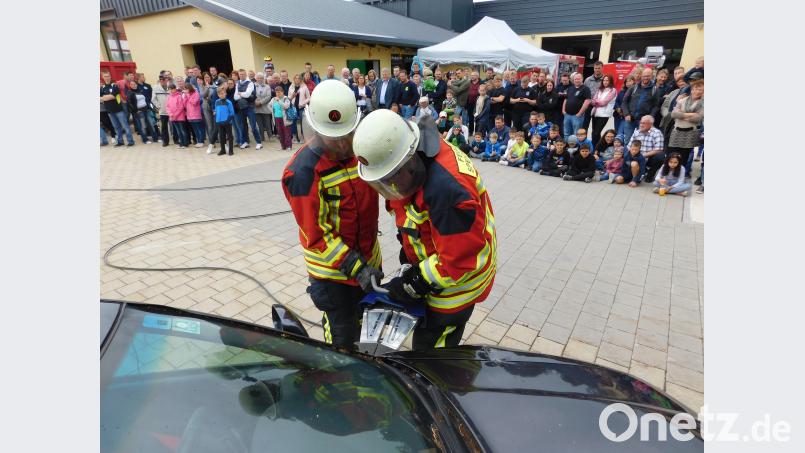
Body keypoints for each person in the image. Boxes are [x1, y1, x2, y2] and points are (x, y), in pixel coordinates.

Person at [351, 109, 496, 350]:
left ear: (408, 160)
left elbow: (459, 259)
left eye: (391, 177)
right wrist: (409, 250)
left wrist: (417, 280)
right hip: (446, 262)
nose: (390, 185)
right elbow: (411, 212)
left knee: (432, 355)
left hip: (458, 285)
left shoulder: (446, 190)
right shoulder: (415, 154)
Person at [282, 80, 381, 350]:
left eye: (347, 135)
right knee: (342, 339)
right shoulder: (303, 172)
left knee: (370, 329)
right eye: (333, 138)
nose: (342, 144)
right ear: (315, 128)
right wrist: (354, 266)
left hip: (368, 259)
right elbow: (316, 235)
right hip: (333, 274)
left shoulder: (360, 150)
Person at [667, 79, 704, 176]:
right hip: (677, 131)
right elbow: (674, 114)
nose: (697, 91)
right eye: (696, 89)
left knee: (684, 158)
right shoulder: (682, 100)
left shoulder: (703, 103)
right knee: (671, 155)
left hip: (690, 133)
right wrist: (690, 115)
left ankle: (679, 176)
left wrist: (682, 114)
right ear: (692, 89)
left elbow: (698, 118)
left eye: (701, 90)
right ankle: (667, 175)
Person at [621, 68, 661, 141]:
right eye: (644, 76)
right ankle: (627, 153)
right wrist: (626, 114)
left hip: (644, 122)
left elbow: (656, 106)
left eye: (648, 76)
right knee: (627, 141)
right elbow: (624, 102)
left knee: (640, 142)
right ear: (641, 76)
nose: (645, 78)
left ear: (652, 76)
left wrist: (650, 117)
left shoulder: (655, 90)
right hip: (630, 119)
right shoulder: (633, 88)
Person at [100, 71, 135, 146]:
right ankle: (120, 141)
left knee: (125, 126)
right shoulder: (102, 88)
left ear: (110, 76)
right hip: (110, 111)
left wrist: (104, 97)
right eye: (105, 76)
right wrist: (106, 97)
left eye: (108, 76)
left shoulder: (114, 86)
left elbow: (113, 96)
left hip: (119, 110)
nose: (107, 78)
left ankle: (130, 141)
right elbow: (100, 98)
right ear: (102, 77)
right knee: (116, 127)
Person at [628, 115, 665, 182]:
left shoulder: (657, 133)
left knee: (660, 156)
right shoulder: (637, 132)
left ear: (651, 124)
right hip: (636, 156)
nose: (641, 125)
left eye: (644, 123)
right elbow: (629, 146)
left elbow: (658, 149)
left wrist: (642, 156)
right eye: (641, 122)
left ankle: (650, 175)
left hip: (649, 158)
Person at [234, 69, 263, 150]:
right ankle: (245, 141)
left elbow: (247, 95)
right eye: (240, 74)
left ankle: (259, 142)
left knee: (253, 126)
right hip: (240, 108)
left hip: (249, 107)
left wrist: (240, 94)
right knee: (242, 126)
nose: (241, 75)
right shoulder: (237, 83)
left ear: (246, 74)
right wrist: (242, 94)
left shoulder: (250, 83)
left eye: (243, 74)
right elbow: (235, 97)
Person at [126, 80, 157, 144]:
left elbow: (145, 100)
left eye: (134, 84)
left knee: (151, 124)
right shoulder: (130, 93)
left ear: (136, 85)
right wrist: (136, 110)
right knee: (142, 126)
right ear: (130, 86)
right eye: (131, 84)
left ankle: (155, 138)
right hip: (139, 112)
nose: (133, 85)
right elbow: (129, 103)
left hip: (146, 110)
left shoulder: (140, 91)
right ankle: (145, 139)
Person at [562, 73, 591, 141]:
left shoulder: (585, 89)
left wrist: (580, 113)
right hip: (567, 115)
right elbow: (566, 99)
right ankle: (566, 147)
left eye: (578, 79)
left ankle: (575, 149)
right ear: (573, 80)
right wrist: (563, 110)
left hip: (577, 116)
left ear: (582, 79)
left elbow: (587, 101)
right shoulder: (570, 88)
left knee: (576, 134)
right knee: (566, 133)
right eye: (575, 79)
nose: (577, 80)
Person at [590, 74, 617, 145]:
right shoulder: (600, 89)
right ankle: (598, 148)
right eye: (604, 80)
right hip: (595, 113)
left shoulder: (613, 90)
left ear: (610, 81)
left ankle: (593, 149)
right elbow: (593, 100)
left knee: (596, 133)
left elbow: (604, 102)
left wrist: (595, 102)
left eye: (607, 80)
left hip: (604, 115)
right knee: (595, 132)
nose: (605, 82)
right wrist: (595, 101)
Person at [213, 86, 235, 156]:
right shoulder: (217, 102)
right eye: (220, 94)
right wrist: (216, 118)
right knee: (221, 137)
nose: (221, 95)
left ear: (225, 93)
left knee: (230, 136)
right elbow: (216, 111)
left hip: (227, 122)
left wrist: (227, 121)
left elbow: (232, 113)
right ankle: (223, 150)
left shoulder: (228, 102)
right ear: (218, 94)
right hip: (219, 122)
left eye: (223, 93)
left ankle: (231, 150)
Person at [269, 85, 293, 150]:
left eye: (279, 92)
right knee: (280, 133)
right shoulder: (273, 99)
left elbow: (286, 106)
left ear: (283, 92)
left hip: (284, 119)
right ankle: (283, 146)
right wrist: (272, 111)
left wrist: (279, 101)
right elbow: (269, 106)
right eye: (276, 92)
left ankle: (289, 146)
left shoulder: (286, 98)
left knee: (286, 133)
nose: (278, 93)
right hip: (277, 118)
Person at [288, 74, 310, 143]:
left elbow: (309, 97)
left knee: (302, 122)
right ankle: (294, 137)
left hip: (301, 107)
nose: (297, 79)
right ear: (294, 79)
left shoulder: (304, 87)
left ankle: (303, 137)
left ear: (301, 80)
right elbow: (289, 98)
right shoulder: (291, 87)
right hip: (293, 107)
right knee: (293, 122)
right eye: (296, 78)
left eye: (298, 78)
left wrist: (303, 103)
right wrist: (292, 96)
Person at [583, 61, 605, 131]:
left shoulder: (605, 80)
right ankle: (583, 142)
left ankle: (595, 142)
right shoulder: (588, 80)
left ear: (602, 68)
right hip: (588, 107)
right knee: (584, 127)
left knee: (595, 130)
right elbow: (584, 93)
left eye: (599, 68)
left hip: (598, 107)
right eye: (595, 68)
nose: (597, 70)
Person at [254, 73, 274, 146]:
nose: (260, 79)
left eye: (261, 78)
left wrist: (261, 102)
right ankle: (261, 137)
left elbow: (269, 96)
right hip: (256, 107)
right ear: (256, 78)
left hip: (265, 107)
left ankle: (270, 136)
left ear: (263, 79)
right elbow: (252, 95)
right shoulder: (253, 86)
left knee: (267, 123)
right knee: (259, 124)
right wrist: (255, 102)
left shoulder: (267, 86)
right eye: (258, 78)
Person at [166, 82, 189, 148]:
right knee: (178, 131)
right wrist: (170, 114)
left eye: (172, 89)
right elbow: (167, 106)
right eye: (169, 89)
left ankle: (185, 143)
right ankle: (181, 143)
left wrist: (175, 115)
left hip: (180, 117)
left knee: (182, 130)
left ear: (175, 89)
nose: (171, 90)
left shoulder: (179, 96)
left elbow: (181, 107)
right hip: (172, 117)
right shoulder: (169, 97)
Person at [200, 73, 218, 153]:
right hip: (206, 108)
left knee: (216, 124)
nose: (207, 78)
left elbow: (217, 94)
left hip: (214, 107)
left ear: (210, 78)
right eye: (205, 77)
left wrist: (210, 97)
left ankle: (219, 139)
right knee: (210, 125)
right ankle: (212, 142)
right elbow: (203, 95)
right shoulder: (202, 86)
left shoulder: (214, 85)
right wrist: (207, 87)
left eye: (208, 77)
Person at [153, 71, 172, 147]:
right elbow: (153, 99)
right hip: (163, 110)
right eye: (161, 80)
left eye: (164, 79)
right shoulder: (155, 87)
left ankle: (176, 139)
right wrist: (159, 106)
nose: (162, 81)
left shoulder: (170, 86)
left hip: (171, 110)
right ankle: (165, 141)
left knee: (174, 126)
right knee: (164, 127)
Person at [184, 83, 205, 148]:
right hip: (190, 115)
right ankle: (198, 141)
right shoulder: (187, 95)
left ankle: (201, 141)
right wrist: (185, 97)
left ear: (189, 88)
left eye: (186, 89)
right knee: (195, 129)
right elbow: (185, 104)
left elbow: (194, 103)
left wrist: (188, 96)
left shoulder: (196, 93)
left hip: (196, 114)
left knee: (199, 129)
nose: (185, 90)